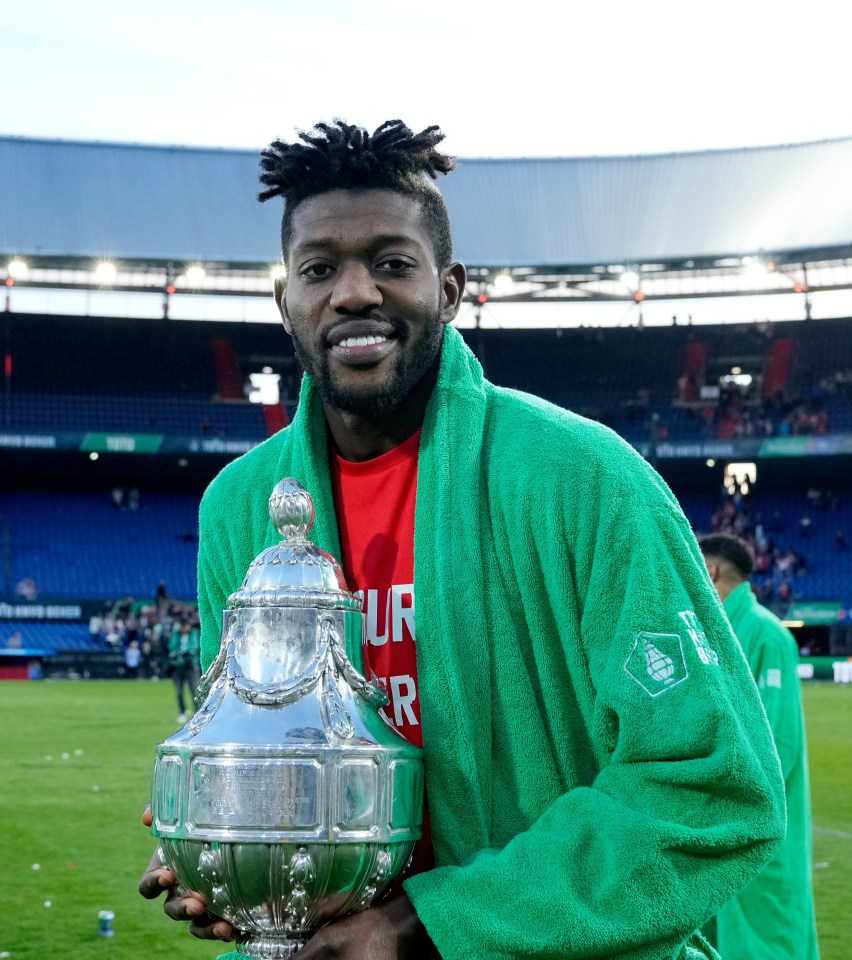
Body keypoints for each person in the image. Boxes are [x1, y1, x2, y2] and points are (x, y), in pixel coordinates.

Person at [140, 119, 785, 959]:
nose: (355, 292)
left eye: (392, 262)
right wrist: (223, 851)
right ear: (286, 300)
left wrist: (428, 926)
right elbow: (255, 747)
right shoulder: (241, 508)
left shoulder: (583, 480)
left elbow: (713, 792)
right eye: (320, 269)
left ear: (449, 290)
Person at [698, 532, 819, 960]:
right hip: (724, 823)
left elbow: (779, 744)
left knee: (770, 934)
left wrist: (740, 805)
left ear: (709, 571)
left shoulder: (767, 635)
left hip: (761, 823)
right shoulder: (719, 632)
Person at [167, 620, 201, 723]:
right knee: (179, 691)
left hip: (191, 665)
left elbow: (196, 646)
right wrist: (177, 655)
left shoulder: (194, 633)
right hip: (178, 666)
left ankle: (198, 713)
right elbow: (172, 647)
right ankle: (182, 711)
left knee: (195, 691)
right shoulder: (176, 635)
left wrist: (189, 653)